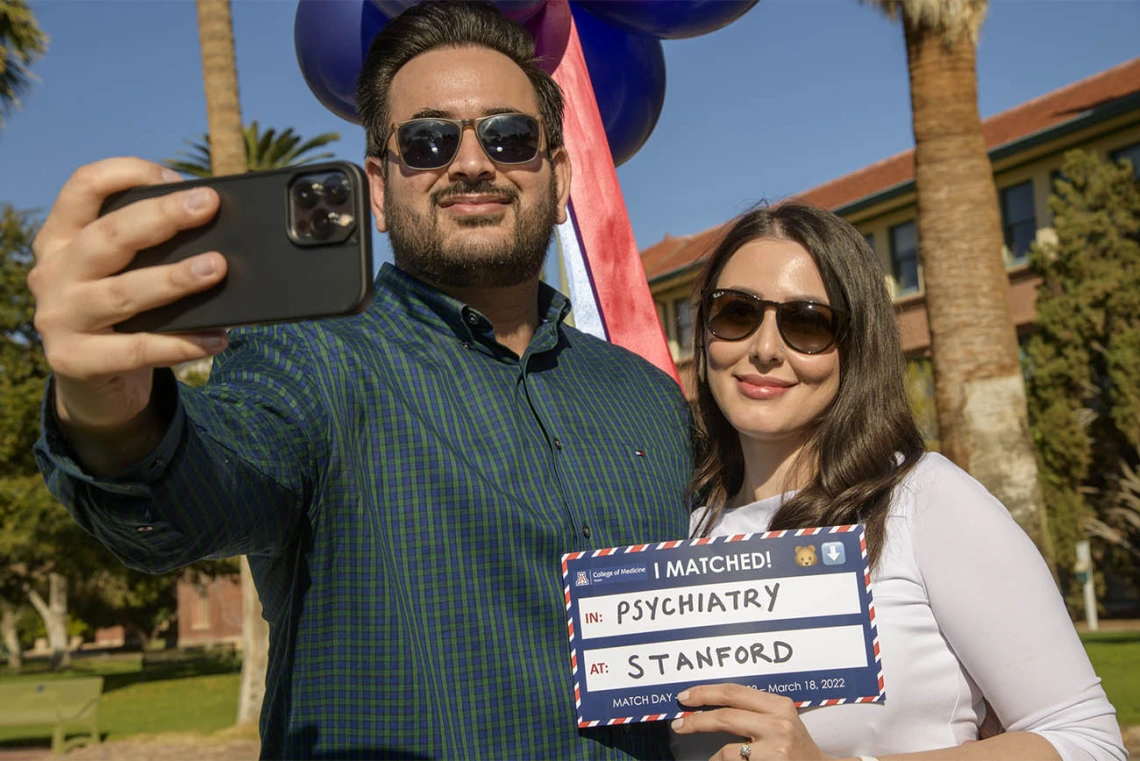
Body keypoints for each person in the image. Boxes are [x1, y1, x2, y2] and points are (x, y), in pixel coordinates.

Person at [28, 3, 691, 758]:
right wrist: (108, 406)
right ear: (378, 184)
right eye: (428, 141)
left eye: (508, 136)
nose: (471, 162)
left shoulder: (651, 399)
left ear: (558, 169)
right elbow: (194, 492)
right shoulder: (313, 359)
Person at [667, 202, 1127, 761]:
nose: (765, 348)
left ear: (855, 348)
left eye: (807, 322)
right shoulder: (679, 533)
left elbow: (1087, 741)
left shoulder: (923, 499)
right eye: (736, 313)